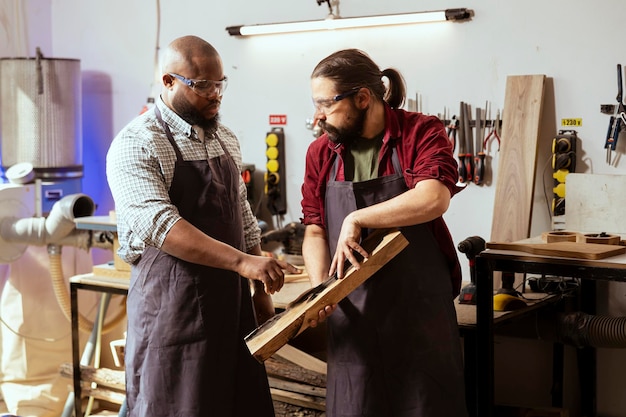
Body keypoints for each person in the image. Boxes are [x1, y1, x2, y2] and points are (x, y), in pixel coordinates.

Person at [106, 35, 299, 417]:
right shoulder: (136, 143)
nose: (215, 94)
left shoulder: (224, 139)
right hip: (171, 317)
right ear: (168, 82)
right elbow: (160, 224)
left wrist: (260, 284)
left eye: (220, 83)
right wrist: (243, 263)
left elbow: (243, 216)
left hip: (232, 313)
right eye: (202, 85)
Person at [300, 48, 469, 417]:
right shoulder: (321, 153)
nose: (318, 117)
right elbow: (314, 228)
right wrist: (320, 290)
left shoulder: (419, 132)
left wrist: (357, 218)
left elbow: (433, 197)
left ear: (362, 98)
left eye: (325, 105)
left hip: (417, 315)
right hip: (352, 315)